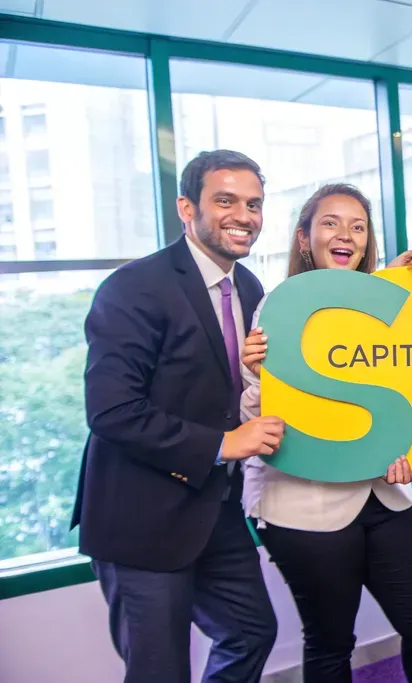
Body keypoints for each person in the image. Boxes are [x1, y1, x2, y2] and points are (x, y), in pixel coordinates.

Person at [72, 150, 286, 683]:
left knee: (251, 632)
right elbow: (112, 411)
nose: (245, 215)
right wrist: (224, 443)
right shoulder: (133, 287)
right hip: (139, 515)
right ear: (187, 209)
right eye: (226, 201)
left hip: (214, 510)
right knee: (159, 671)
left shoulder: (252, 289)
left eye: (254, 204)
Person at [239, 183, 412, 683]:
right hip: (301, 501)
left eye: (358, 227)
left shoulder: (386, 310)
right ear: (303, 239)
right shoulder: (277, 308)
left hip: (382, 492)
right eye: (331, 223)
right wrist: (258, 377)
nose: (346, 235)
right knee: (332, 643)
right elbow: (253, 415)